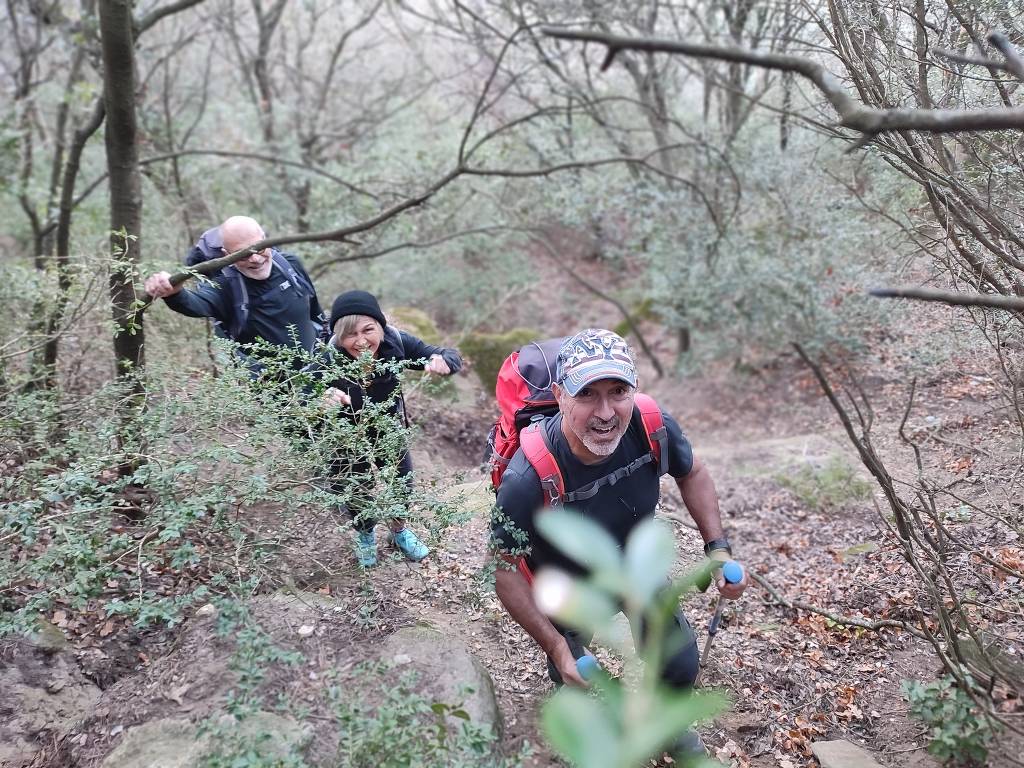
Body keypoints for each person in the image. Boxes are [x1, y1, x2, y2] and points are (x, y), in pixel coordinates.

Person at [489, 328, 747, 758]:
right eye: (587, 394)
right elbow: (503, 568)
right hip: (564, 587)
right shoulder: (528, 475)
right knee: (577, 679)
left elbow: (693, 472)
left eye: (618, 391)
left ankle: (670, 728)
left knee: (679, 663)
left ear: (635, 390)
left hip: (633, 566)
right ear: (560, 395)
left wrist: (717, 548)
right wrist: (556, 645)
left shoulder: (651, 426)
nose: (606, 411)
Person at [313, 290, 462, 567]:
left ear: (380, 326)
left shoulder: (397, 342)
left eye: (368, 329)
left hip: (388, 427)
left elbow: (448, 355)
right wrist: (322, 401)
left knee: (401, 483)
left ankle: (399, 532)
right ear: (338, 336)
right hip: (347, 434)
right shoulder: (327, 357)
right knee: (356, 486)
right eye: (350, 334)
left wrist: (444, 362)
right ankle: (365, 534)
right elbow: (307, 396)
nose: (360, 341)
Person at [143, 216, 327, 373]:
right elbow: (194, 303)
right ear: (226, 254)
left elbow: (315, 309)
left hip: (319, 368)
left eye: (259, 248)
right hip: (275, 389)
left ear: (266, 240)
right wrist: (173, 292)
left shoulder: (290, 265)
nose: (255, 259)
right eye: (242, 254)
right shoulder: (225, 286)